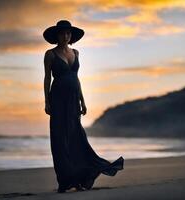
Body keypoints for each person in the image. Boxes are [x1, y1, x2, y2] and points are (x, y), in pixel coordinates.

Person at [43, 20, 124, 193]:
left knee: (76, 138)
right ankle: (64, 181)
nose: (66, 36)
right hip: (58, 100)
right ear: (57, 35)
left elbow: (76, 79)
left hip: (73, 101)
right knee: (59, 140)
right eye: (63, 33)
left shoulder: (76, 53)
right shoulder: (50, 54)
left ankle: (79, 177)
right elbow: (47, 79)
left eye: (68, 33)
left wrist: (83, 100)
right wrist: (46, 101)